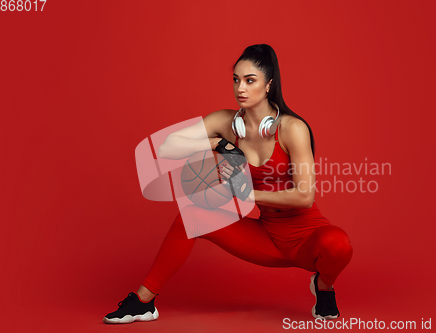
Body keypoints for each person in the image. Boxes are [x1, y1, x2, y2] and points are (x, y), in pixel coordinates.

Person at [103, 44, 353, 324]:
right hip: (268, 238)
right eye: (235, 79)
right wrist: (216, 142)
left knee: (338, 244)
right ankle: (143, 302)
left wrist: (245, 193)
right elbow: (167, 147)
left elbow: (304, 197)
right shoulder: (227, 122)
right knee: (191, 216)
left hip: (307, 238)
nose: (240, 88)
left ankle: (324, 287)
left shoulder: (292, 128)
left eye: (250, 80)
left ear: (269, 85)